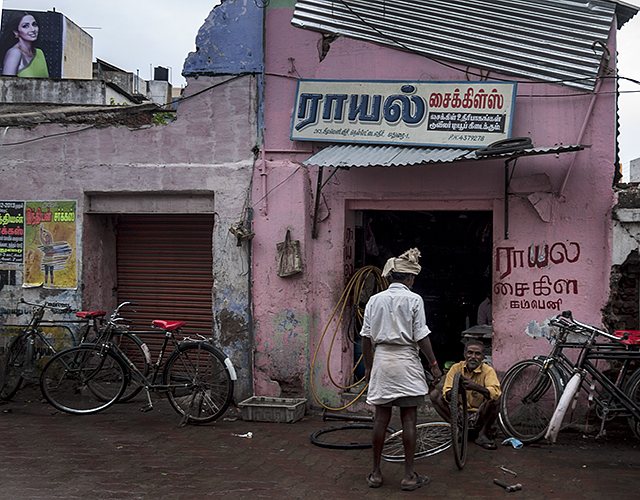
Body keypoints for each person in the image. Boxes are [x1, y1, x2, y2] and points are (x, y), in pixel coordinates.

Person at [360, 248, 442, 491]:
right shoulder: (414, 299)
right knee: (409, 420)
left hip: (383, 362)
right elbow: (422, 336)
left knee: (381, 419)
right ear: (409, 278)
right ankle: (408, 476)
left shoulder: (375, 300)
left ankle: (375, 473)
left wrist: (368, 367)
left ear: (391, 277)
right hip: (407, 363)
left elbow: (365, 338)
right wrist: (434, 366)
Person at [429, 340, 501, 450]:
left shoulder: (488, 371)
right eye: (470, 353)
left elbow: (495, 393)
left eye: (477, 354)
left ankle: (482, 434)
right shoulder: (456, 368)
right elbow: (446, 396)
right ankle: (458, 430)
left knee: (495, 399)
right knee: (435, 394)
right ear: (464, 354)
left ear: (483, 357)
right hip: (460, 414)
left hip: (479, 416)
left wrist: (475, 386)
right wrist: (458, 389)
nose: (473, 356)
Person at [0, 12, 50, 77]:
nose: (33, 29)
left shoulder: (39, 53)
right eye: (26, 26)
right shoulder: (14, 53)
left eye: (34, 24)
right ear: (16, 32)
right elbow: (7, 85)